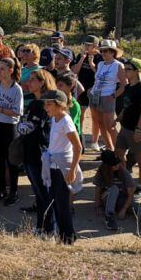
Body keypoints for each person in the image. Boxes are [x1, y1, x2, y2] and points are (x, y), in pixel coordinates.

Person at [41, 89, 82, 244]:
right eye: (45, 104)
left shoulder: (66, 121)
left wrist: (72, 170)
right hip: (52, 165)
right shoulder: (54, 119)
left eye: (49, 104)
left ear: (60, 105)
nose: (46, 107)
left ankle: (69, 238)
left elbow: (78, 147)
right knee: (55, 202)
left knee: (62, 204)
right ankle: (62, 236)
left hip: (61, 168)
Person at [19, 69, 55, 229]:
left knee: (43, 193)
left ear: (42, 83)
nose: (29, 82)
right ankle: (41, 226)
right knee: (39, 194)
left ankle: (48, 228)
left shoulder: (43, 105)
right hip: (29, 151)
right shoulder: (34, 102)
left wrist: (23, 125)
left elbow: (32, 129)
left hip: (38, 153)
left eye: (33, 80)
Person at [0, 57, 23, 205]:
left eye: (2, 69)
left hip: (9, 127)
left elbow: (17, 112)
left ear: (10, 70)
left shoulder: (16, 89)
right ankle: (1, 190)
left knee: (11, 161)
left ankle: (14, 192)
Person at [116, 58, 141, 195]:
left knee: (140, 158)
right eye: (125, 69)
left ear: (137, 71)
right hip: (125, 128)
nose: (125, 71)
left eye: (128, 69)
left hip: (137, 129)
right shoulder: (129, 87)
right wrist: (118, 118)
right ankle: (126, 181)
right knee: (119, 154)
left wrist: (138, 130)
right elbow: (127, 106)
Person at [90, 40, 125, 152]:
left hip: (107, 96)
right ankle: (110, 149)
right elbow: (98, 79)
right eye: (102, 51)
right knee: (100, 124)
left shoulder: (118, 65)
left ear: (113, 52)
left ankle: (119, 151)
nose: (104, 53)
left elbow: (124, 84)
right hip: (95, 95)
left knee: (110, 126)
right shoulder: (100, 64)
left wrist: (114, 95)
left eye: (106, 51)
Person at [71, 35, 102, 150]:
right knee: (81, 113)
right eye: (85, 44)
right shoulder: (81, 55)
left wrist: (91, 64)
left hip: (95, 89)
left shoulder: (100, 57)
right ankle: (80, 136)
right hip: (82, 88)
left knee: (95, 116)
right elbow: (74, 71)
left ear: (95, 46)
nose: (86, 46)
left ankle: (95, 141)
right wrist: (82, 59)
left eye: (89, 45)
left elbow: (100, 74)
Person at [93, 149, 135, 231]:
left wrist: (124, 209)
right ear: (106, 165)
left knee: (139, 206)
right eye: (114, 164)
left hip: (121, 199)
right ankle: (109, 216)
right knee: (114, 188)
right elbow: (97, 190)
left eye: (117, 162)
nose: (117, 165)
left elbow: (131, 194)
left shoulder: (123, 172)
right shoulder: (101, 172)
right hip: (107, 199)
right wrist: (98, 206)